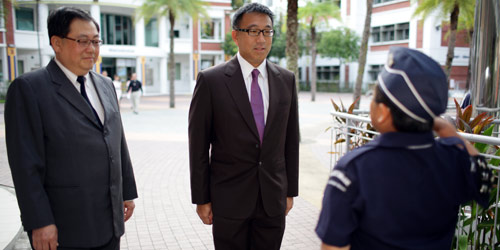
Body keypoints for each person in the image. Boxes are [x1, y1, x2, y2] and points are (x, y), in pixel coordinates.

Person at [315, 47, 494, 250]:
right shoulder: (452, 159)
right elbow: (483, 178)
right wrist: (447, 130)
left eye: (374, 96)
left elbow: (333, 247)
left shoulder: (354, 169)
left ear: (382, 113)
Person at [4, 7, 138, 250]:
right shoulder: (29, 89)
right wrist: (39, 222)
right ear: (56, 43)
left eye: (96, 41)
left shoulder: (105, 85)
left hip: (110, 222)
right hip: (65, 227)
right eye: (82, 41)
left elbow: (117, 140)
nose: (92, 49)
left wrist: (126, 191)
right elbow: (25, 165)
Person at [188, 3, 299, 249]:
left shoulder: (286, 80)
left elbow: (291, 141)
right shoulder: (211, 80)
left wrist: (290, 191)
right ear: (235, 35)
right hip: (228, 199)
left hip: (272, 199)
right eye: (253, 31)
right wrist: (201, 198)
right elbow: (198, 146)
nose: (261, 38)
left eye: (267, 31)